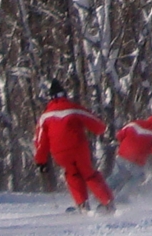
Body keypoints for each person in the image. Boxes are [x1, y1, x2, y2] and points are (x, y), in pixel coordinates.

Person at [33, 80, 114, 214]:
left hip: (60, 153)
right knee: (88, 174)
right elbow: (98, 125)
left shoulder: (45, 116)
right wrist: (101, 129)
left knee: (72, 174)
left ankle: (82, 205)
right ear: (64, 94)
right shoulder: (74, 108)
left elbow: (40, 141)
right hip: (78, 147)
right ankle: (108, 203)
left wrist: (41, 161)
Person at [108, 113, 152, 195]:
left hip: (122, 156)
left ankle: (101, 195)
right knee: (138, 178)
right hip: (136, 161)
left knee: (117, 176)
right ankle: (122, 199)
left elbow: (119, 135)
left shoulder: (134, 124)